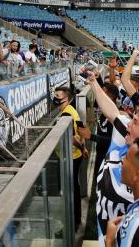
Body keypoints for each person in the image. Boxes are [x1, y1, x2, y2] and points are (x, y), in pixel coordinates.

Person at [86, 72, 139, 246]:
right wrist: (93, 83)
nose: (128, 123)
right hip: (104, 230)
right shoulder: (125, 133)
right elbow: (112, 112)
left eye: (135, 122)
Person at [53, 86, 87, 231]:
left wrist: (81, 148)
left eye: (57, 96)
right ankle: (75, 221)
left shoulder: (66, 114)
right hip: (74, 156)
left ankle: (72, 224)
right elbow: (80, 129)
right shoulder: (71, 110)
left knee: (70, 192)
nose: (55, 99)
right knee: (74, 189)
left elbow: (73, 138)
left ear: (66, 99)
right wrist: (84, 148)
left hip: (71, 158)